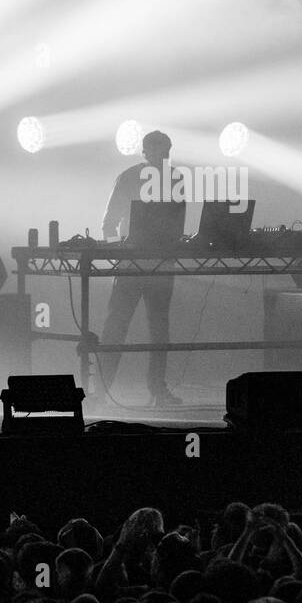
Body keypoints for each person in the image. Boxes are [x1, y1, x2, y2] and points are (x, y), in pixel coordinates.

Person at [98, 130, 181, 407]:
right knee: (117, 327)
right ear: (146, 152)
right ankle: (102, 389)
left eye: (167, 150)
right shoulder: (129, 178)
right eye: (160, 150)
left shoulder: (175, 178)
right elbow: (109, 223)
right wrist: (119, 252)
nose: (165, 155)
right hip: (133, 265)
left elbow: (176, 222)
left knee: (157, 329)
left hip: (159, 263)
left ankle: (157, 390)